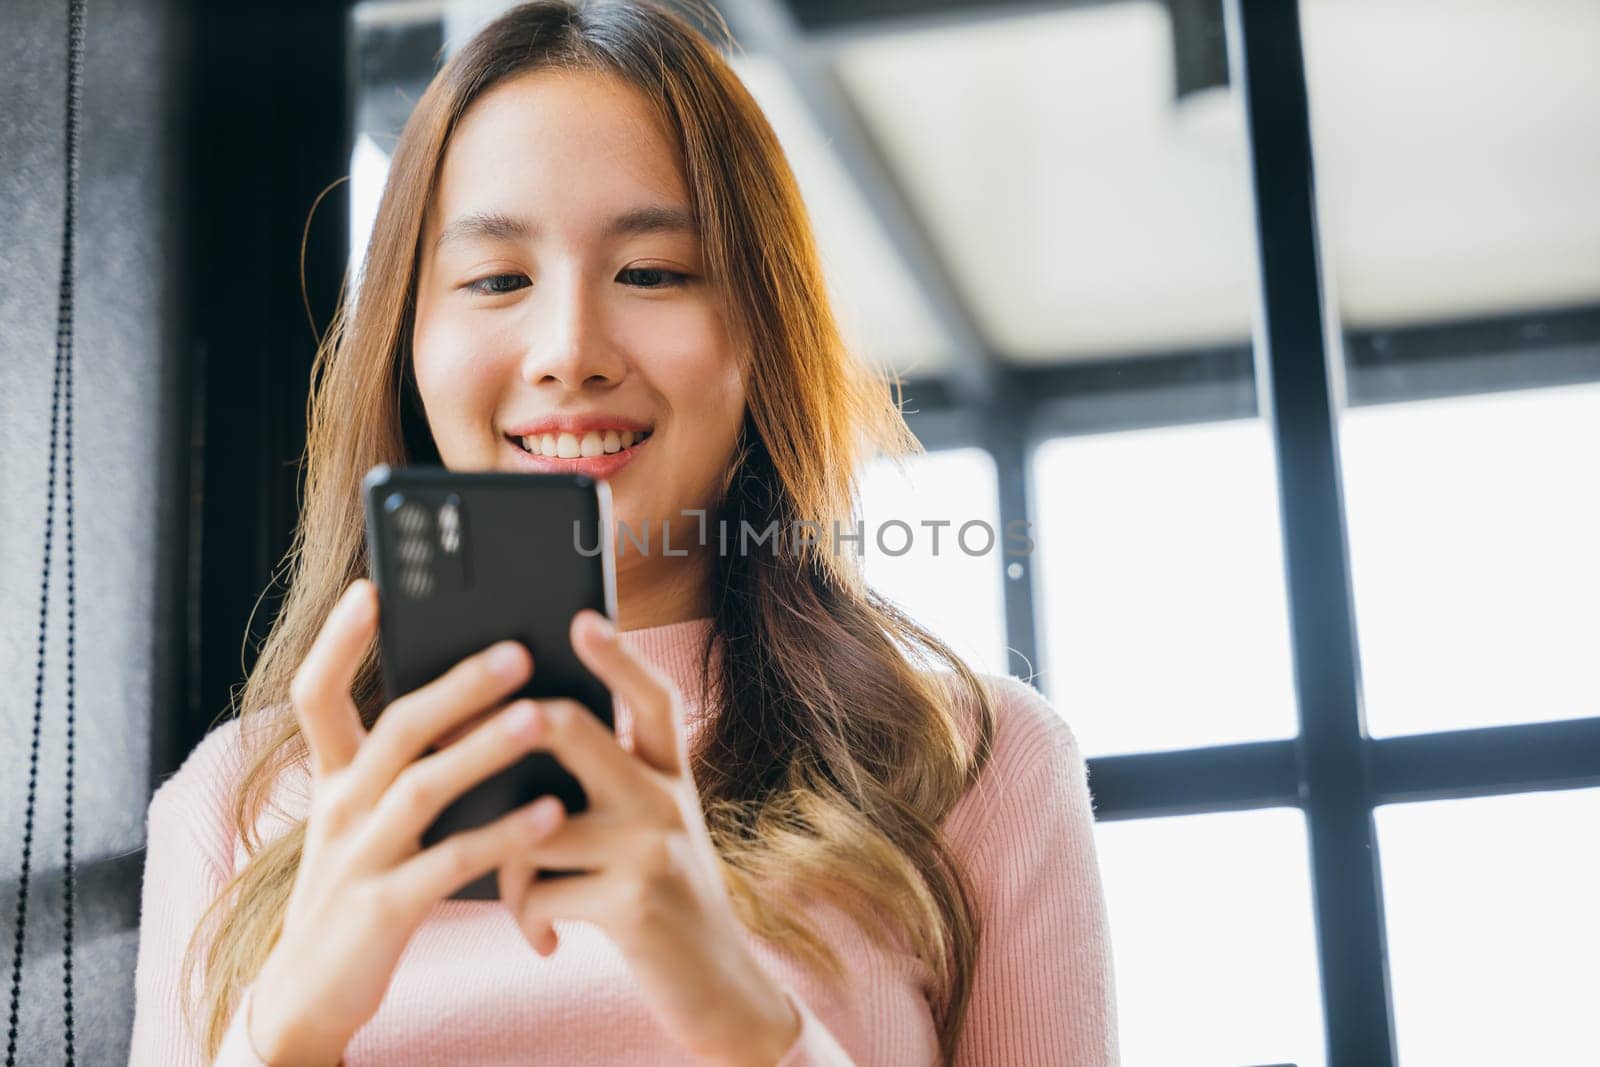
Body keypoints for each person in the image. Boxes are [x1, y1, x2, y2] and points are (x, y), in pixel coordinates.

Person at [127, 1, 1118, 1063]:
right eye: (496, 279)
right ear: (407, 347)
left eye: (651, 272)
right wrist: (282, 1034)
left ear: (760, 331)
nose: (569, 349)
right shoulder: (232, 800)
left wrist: (735, 1005)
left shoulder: (974, 760)